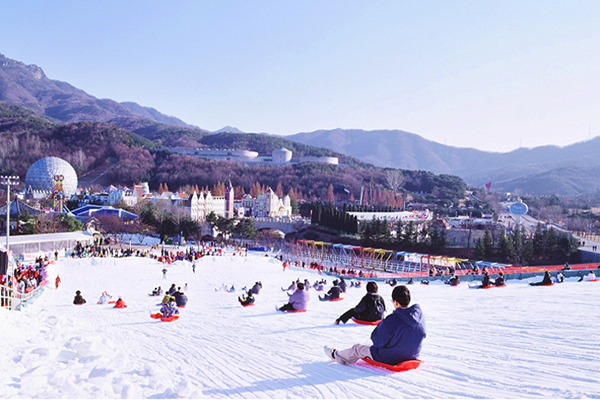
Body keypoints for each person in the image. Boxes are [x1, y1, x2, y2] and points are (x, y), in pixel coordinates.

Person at [325, 285, 426, 365]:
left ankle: (336, 355)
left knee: (358, 348)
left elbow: (377, 342)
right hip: (412, 355)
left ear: (395, 302)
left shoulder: (392, 319)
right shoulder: (419, 316)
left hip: (391, 358)